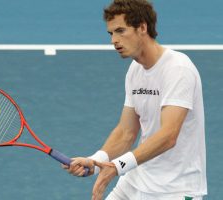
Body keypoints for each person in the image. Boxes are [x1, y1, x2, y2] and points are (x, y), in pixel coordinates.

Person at [62, 0, 207, 199]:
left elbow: (168, 136)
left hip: (173, 190)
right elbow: (126, 132)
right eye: (111, 33)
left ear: (142, 28)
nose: (114, 40)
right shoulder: (135, 70)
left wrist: (117, 166)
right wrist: (96, 162)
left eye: (121, 31)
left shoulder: (178, 69)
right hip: (135, 181)